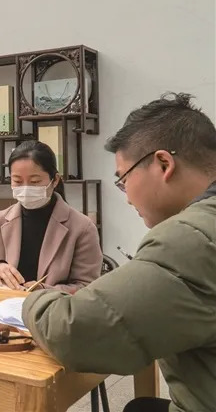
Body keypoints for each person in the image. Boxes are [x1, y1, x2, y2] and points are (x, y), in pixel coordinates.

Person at [22, 93, 216, 412]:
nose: (126, 197)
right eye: (17, 181)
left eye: (123, 180)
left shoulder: (189, 238)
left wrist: (29, 300)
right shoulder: (3, 219)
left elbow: (75, 331)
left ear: (164, 164)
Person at [0, 140, 102, 293]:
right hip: (5, 304)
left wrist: (42, 291)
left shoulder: (82, 227)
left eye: (35, 181)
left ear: (55, 180)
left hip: (53, 307)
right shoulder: (0, 221)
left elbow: (87, 288)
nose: (25, 188)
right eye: (17, 181)